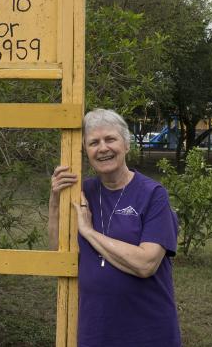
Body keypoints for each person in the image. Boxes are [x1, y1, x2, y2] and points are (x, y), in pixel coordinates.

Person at [49, 108, 181, 347]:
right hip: (95, 331)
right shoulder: (82, 193)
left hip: (147, 333)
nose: (103, 148)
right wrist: (55, 198)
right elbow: (57, 250)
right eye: (93, 142)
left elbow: (145, 264)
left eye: (110, 139)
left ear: (126, 145)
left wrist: (89, 232)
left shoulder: (153, 195)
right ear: (86, 152)